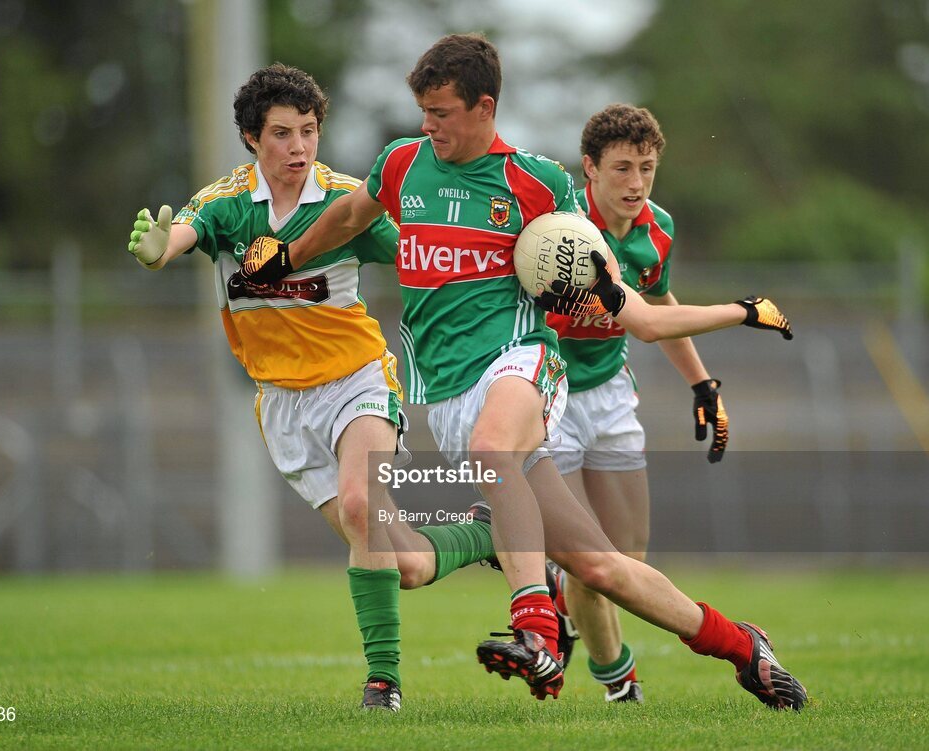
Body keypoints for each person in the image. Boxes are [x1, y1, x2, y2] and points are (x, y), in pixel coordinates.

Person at [240, 35, 807, 711]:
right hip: (446, 395)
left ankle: (536, 628)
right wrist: (289, 255)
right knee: (596, 566)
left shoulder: (537, 182)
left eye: (441, 112)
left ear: (484, 108)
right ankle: (742, 645)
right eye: (422, 110)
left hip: (522, 362)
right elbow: (350, 214)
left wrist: (642, 311)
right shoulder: (400, 165)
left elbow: (608, 287)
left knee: (491, 448)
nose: (427, 124)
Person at [126, 63, 498, 712]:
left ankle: (382, 683)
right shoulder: (225, 204)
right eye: (280, 134)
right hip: (283, 406)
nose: (297, 147)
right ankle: (484, 534)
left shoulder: (346, 201)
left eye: (307, 131)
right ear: (250, 138)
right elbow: (177, 238)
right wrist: (159, 248)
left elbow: (421, 251)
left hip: (357, 381)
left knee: (360, 507)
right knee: (402, 562)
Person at [546, 103, 731, 703]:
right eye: (622, 168)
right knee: (592, 566)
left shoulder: (659, 229)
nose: (636, 183)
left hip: (611, 396)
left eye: (647, 168)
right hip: (546, 394)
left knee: (627, 562)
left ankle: (561, 590)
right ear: (590, 168)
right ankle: (619, 685)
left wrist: (702, 385)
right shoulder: (560, 226)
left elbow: (658, 302)